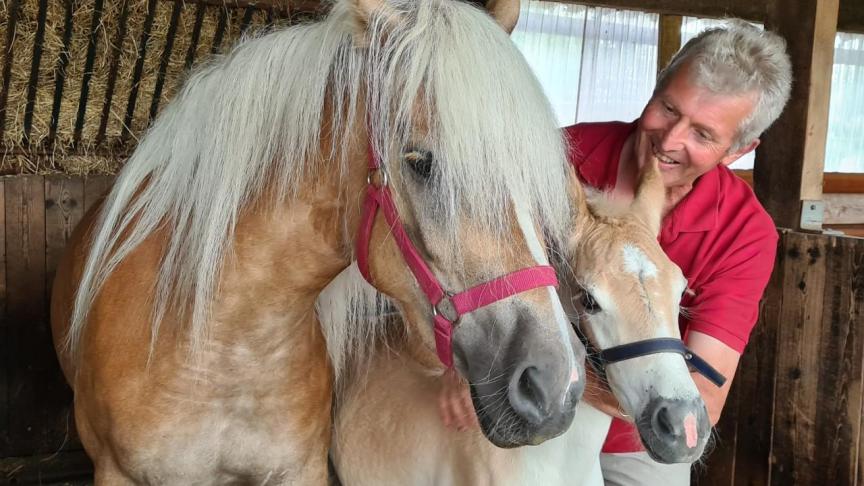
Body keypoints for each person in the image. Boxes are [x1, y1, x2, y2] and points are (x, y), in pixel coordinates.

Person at [438, 19, 792, 485]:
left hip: (638, 437)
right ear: (656, 88)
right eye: (668, 108)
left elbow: (702, 396)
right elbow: (462, 266)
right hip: (511, 414)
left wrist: (517, 369)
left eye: (703, 135)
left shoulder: (745, 232)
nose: (669, 141)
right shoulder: (554, 155)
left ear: (739, 150)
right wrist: (458, 358)